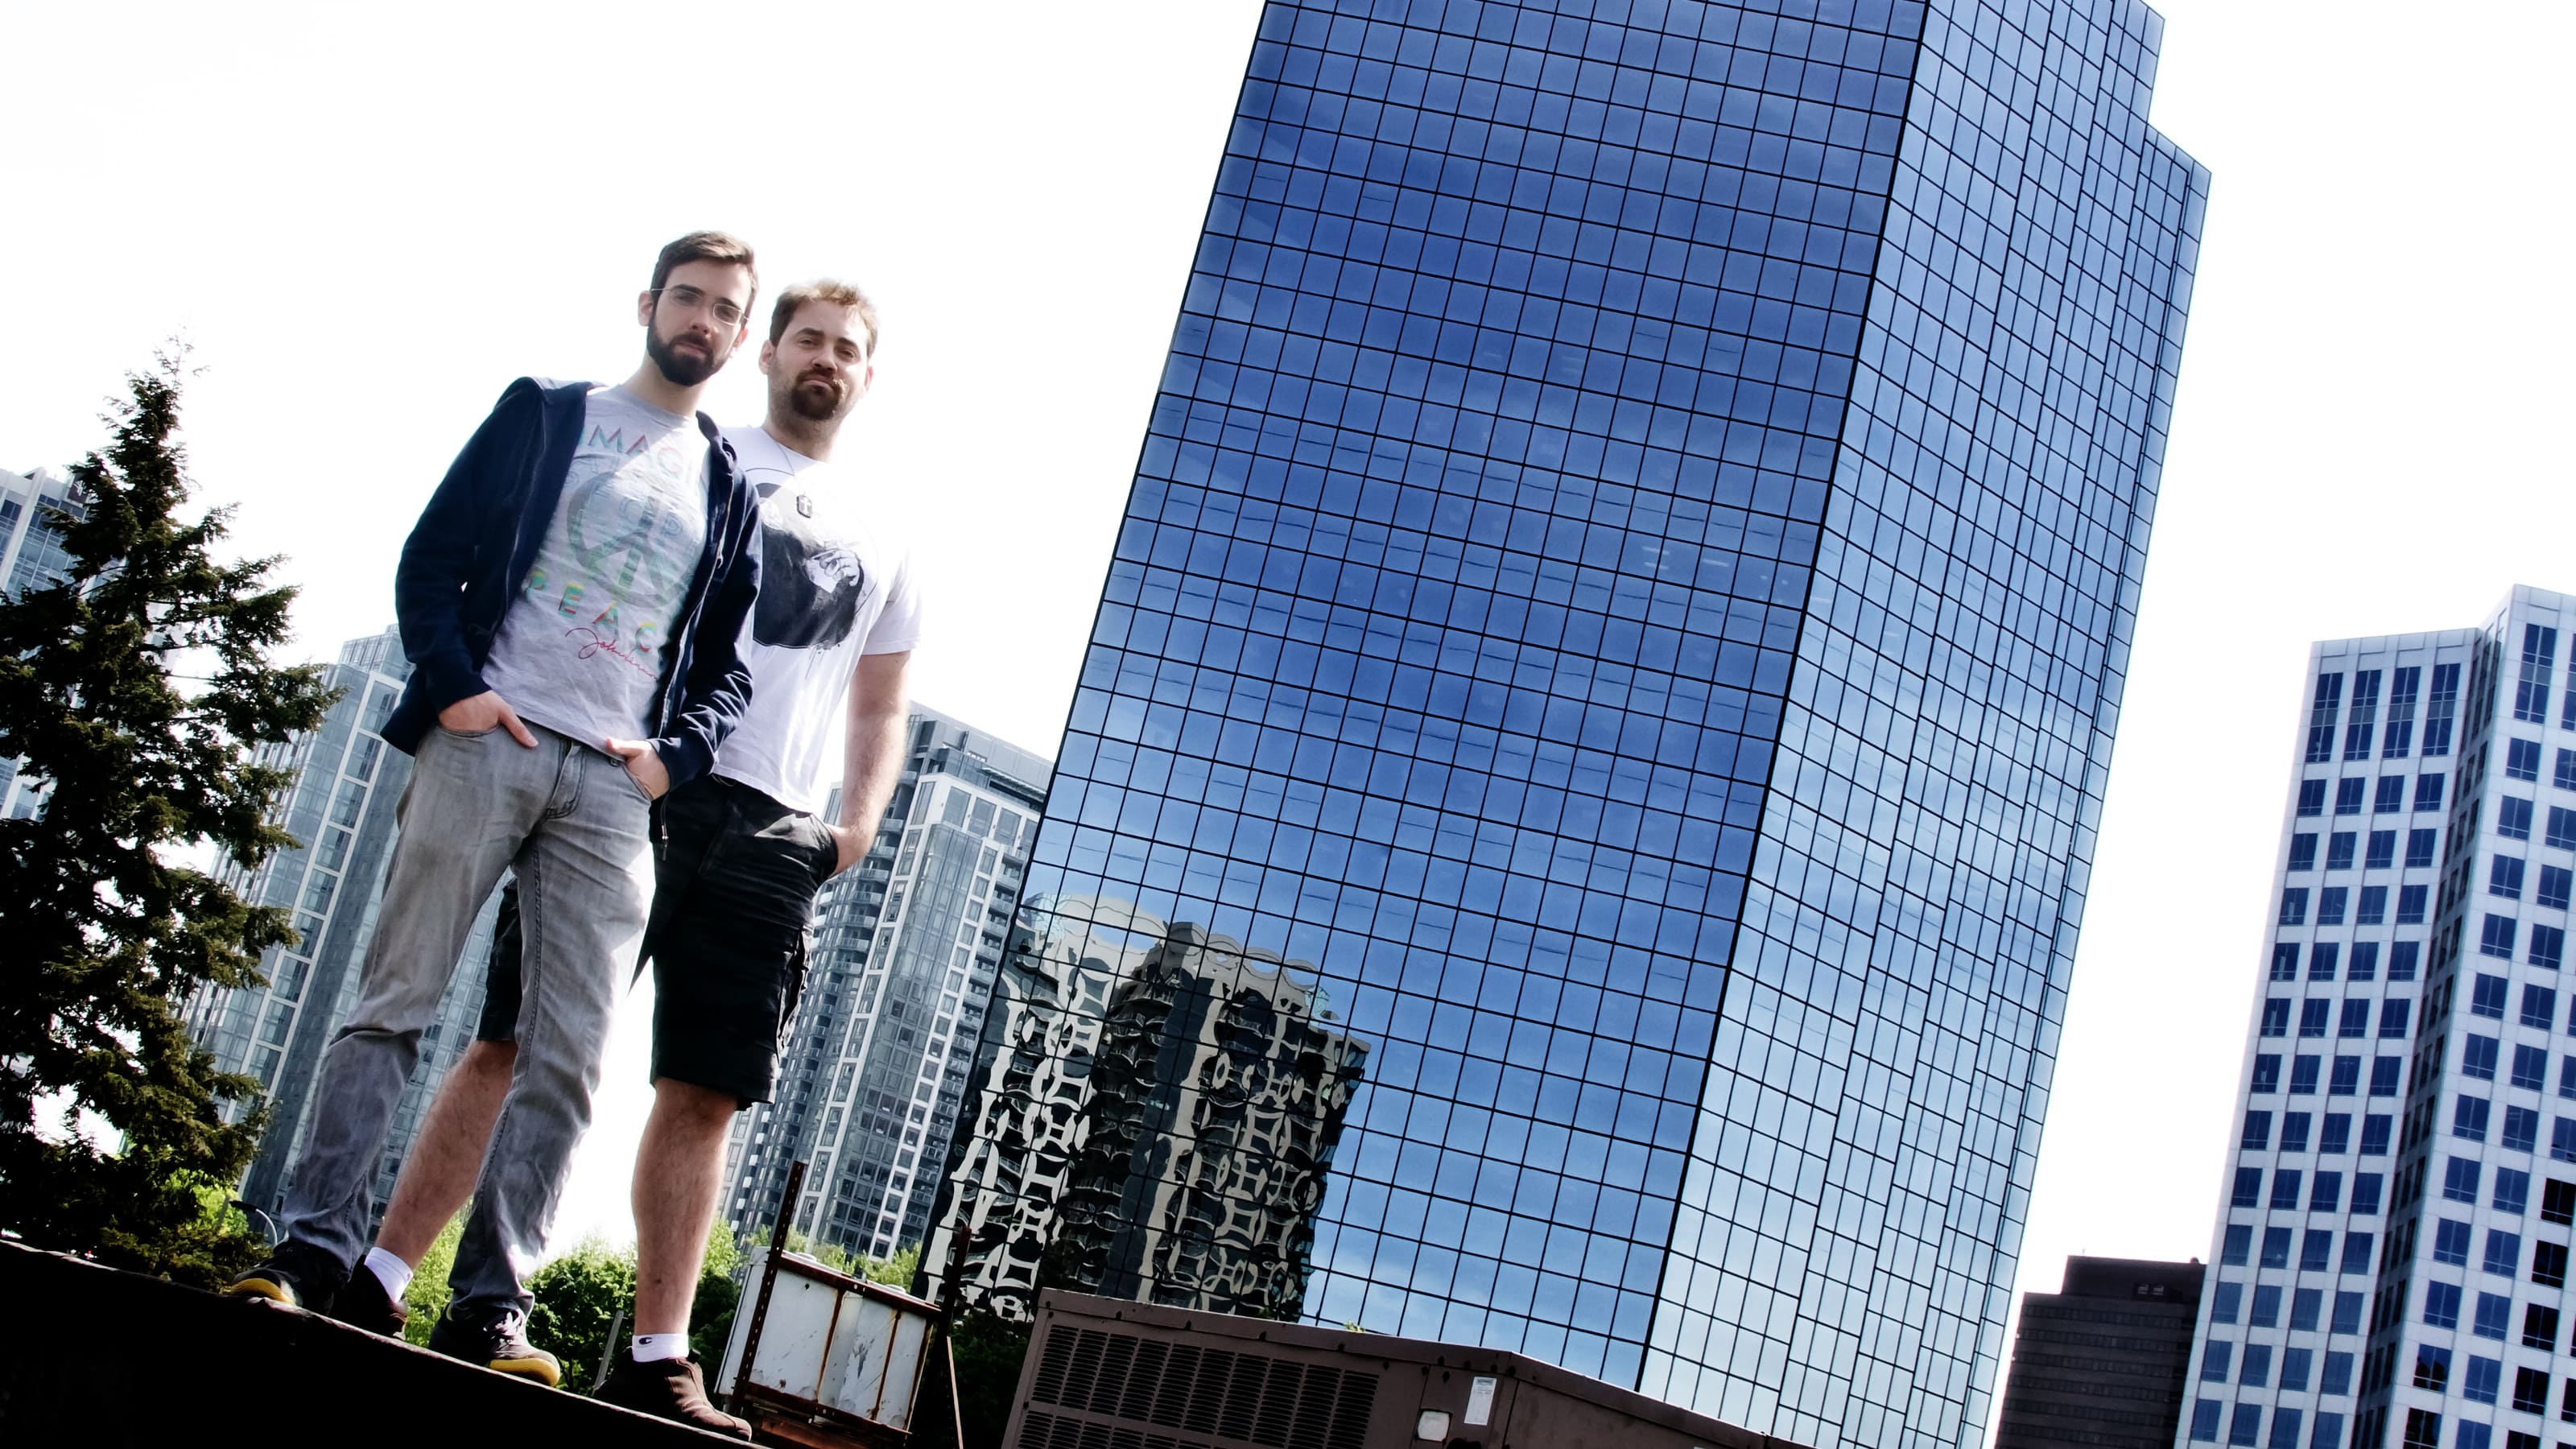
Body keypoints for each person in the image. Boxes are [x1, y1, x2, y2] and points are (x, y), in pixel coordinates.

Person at [348, 279, 917, 1434]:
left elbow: (879, 702)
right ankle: (383, 1279)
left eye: (848, 348)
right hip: (633, 779)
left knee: (706, 1087)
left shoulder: (891, 534)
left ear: (867, 374)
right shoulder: (701, 461)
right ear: (766, 349)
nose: (826, 358)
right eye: (807, 336)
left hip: (772, 825)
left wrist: (851, 827)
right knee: (513, 1036)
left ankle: (658, 1354)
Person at [225, 233, 768, 1393]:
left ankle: (487, 1312)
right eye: (688, 298)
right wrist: (461, 690)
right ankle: (312, 1255)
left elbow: (727, 665)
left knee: (568, 1055)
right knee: (394, 1003)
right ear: (648, 304)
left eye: (726, 310)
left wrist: (674, 757)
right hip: (491, 743)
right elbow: (432, 559)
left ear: (737, 335)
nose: (703, 322)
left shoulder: (725, 482)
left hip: (615, 792)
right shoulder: (547, 413)